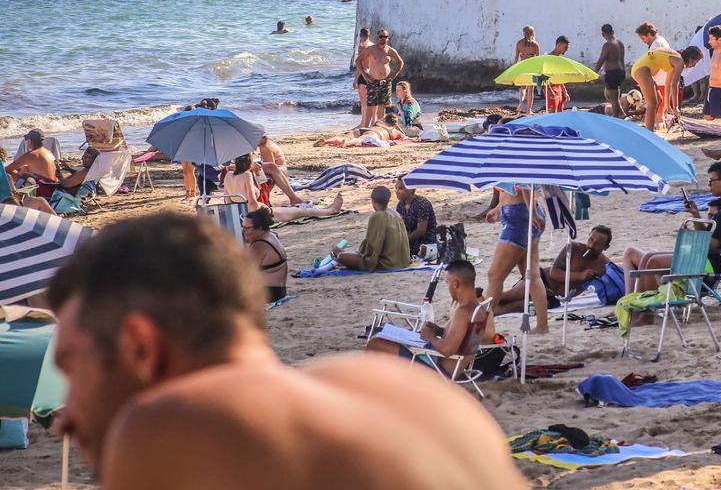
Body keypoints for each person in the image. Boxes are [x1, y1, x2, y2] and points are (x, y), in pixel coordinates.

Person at [46, 212, 525, 490]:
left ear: (140, 347)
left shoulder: (166, 426)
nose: (63, 419)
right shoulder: (415, 397)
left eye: (71, 366)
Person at [622, 161, 721, 293]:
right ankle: (633, 304)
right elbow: (710, 237)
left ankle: (643, 308)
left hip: (711, 264)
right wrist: (695, 214)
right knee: (649, 256)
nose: (709, 184)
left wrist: (689, 238)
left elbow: (711, 245)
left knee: (654, 261)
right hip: (705, 258)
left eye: (711, 180)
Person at [496, 225, 613, 313]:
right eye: (591, 240)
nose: (591, 245)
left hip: (555, 298)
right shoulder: (573, 248)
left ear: (606, 247)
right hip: (542, 280)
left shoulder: (604, 266)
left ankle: (493, 313)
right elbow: (554, 273)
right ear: (588, 236)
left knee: (518, 306)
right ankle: (481, 301)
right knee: (512, 295)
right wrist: (580, 276)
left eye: (598, 244)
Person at [484, 186, 549, 335]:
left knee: (494, 275)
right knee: (533, 275)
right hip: (524, 211)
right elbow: (512, 187)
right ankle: (542, 326)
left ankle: (482, 327)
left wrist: (532, 212)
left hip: (520, 214)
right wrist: (499, 208)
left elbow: (525, 183)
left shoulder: (514, 162)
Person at [223, 154, 345, 223]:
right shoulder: (247, 176)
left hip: (239, 216)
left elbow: (227, 202)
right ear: (250, 164)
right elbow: (252, 204)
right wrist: (265, 208)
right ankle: (331, 210)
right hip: (259, 216)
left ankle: (326, 209)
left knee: (297, 211)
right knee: (302, 212)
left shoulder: (228, 177)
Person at [411, 260, 484, 373]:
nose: (448, 287)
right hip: (452, 365)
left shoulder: (463, 312)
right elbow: (459, 337)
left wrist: (429, 336)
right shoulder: (476, 308)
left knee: (378, 343)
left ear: (455, 284)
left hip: (438, 367)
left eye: (447, 283)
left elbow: (447, 349)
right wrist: (438, 330)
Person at [333, 186, 410, 271]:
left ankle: (340, 254)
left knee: (341, 256)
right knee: (346, 254)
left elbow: (372, 249)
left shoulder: (378, 216)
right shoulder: (395, 213)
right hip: (404, 261)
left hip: (389, 263)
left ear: (373, 201)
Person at [631, 46, 702, 131]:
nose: (694, 65)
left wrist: (667, 105)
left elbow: (668, 83)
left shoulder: (675, 59)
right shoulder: (679, 62)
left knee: (659, 100)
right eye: (695, 62)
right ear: (691, 58)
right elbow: (675, 85)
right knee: (652, 104)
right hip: (642, 70)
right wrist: (675, 107)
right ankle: (648, 133)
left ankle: (649, 127)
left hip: (642, 69)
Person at [356, 29, 404, 128]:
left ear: (388, 38)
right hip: (373, 80)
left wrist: (394, 74)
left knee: (383, 106)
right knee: (371, 106)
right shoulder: (371, 49)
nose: (383, 38)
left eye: (385, 37)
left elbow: (400, 62)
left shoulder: (390, 50)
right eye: (381, 36)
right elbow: (358, 61)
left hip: (386, 81)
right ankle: (365, 127)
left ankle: (379, 127)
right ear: (378, 37)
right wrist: (365, 75)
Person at [241, 208, 289, 303]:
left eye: (247, 228)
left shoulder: (259, 244)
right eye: (243, 227)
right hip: (278, 291)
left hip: (268, 293)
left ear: (260, 228)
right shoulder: (270, 235)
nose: (243, 231)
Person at [394, 176, 437, 260]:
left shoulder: (422, 203)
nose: (396, 191)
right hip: (410, 240)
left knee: (424, 252)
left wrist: (404, 240)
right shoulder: (400, 205)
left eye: (401, 188)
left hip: (425, 240)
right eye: (395, 188)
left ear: (411, 189)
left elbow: (421, 231)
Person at [257, 135, 305, 205]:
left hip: (279, 171)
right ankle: (265, 198)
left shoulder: (264, 147)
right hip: (282, 169)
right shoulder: (269, 143)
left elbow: (270, 164)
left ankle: (264, 198)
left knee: (263, 176)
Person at [594, 23, 627, 117]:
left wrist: (594, 73)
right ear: (612, 32)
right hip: (620, 72)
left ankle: (617, 118)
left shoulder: (608, 45)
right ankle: (622, 114)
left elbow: (601, 60)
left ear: (603, 34)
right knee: (609, 95)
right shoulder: (620, 43)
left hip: (612, 73)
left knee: (614, 99)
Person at [514, 25, 540, 115]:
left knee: (523, 88)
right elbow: (538, 59)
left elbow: (516, 58)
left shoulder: (519, 43)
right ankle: (529, 110)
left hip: (522, 66)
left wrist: (514, 70)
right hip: (531, 67)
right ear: (533, 33)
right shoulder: (535, 44)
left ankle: (521, 103)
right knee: (530, 89)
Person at [544, 36, 571, 113]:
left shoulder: (560, 59)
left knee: (560, 111)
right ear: (559, 45)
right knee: (552, 112)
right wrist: (549, 89)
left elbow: (559, 77)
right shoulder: (548, 58)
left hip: (558, 87)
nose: (566, 50)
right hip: (550, 86)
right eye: (565, 47)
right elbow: (543, 76)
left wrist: (565, 92)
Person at [353, 27, 373, 130]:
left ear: (360, 35)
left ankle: (363, 123)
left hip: (363, 74)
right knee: (371, 101)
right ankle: (371, 122)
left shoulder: (361, 46)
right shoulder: (373, 46)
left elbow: (360, 65)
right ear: (369, 35)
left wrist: (355, 79)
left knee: (363, 101)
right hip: (372, 74)